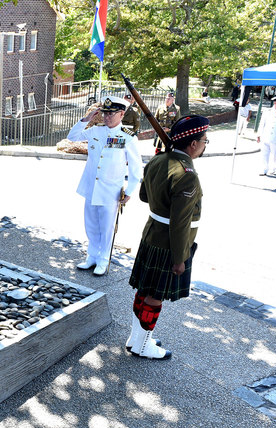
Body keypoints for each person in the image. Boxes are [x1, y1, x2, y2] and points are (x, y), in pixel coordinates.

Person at [127, 115, 209, 359]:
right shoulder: (187, 174)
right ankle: (143, 346)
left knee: (145, 289)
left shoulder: (159, 160)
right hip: (168, 244)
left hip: (152, 234)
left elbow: (144, 196)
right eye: (205, 140)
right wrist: (179, 257)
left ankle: (137, 338)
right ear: (193, 144)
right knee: (155, 295)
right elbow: (180, 223)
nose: (205, 144)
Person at [67, 96, 142, 276]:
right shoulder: (95, 131)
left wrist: (130, 191)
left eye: (111, 113)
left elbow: (136, 168)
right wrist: (87, 119)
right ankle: (91, 257)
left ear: (122, 114)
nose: (107, 117)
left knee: (107, 228)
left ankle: (103, 260)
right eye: (105, 113)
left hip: (111, 191)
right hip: (91, 187)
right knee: (91, 225)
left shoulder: (127, 137)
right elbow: (72, 137)